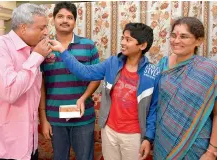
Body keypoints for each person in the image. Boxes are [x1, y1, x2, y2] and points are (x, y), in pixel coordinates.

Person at [49, 22, 160, 160]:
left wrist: (148, 138)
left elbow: (154, 109)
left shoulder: (152, 73)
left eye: (128, 39)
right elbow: (85, 72)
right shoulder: (112, 63)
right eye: (123, 38)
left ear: (142, 45)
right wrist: (63, 51)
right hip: (109, 131)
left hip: (134, 135)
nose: (123, 42)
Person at [0, 3, 51, 160]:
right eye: (42, 28)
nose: (46, 32)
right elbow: (10, 92)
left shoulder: (32, 51)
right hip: (3, 147)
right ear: (23, 28)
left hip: (28, 145)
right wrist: (37, 57)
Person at [38, 2, 100, 160]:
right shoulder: (44, 47)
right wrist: (43, 119)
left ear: (75, 21)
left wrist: (83, 97)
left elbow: (96, 77)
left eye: (69, 17)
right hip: (54, 118)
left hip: (83, 116)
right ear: (53, 20)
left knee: (85, 157)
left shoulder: (88, 45)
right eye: (60, 16)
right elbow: (40, 85)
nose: (65, 20)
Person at [154, 17, 217, 159]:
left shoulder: (210, 70)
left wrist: (211, 151)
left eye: (184, 36)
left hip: (195, 144)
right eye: (174, 35)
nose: (176, 41)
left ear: (199, 41)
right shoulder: (162, 65)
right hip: (162, 138)